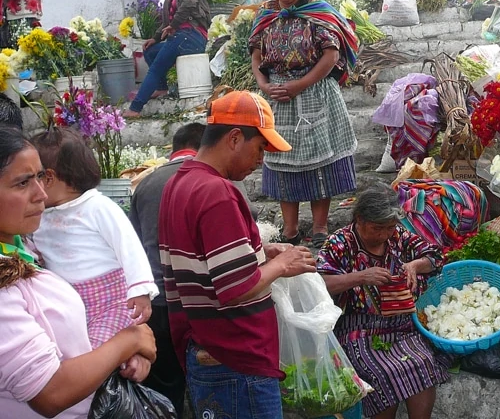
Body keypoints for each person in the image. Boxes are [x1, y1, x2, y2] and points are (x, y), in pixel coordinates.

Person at [159, 90, 318, 418]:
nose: (261, 160)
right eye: (260, 148)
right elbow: (236, 287)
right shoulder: (218, 192)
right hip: (234, 358)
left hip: (208, 350)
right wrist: (282, 265)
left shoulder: (180, 182)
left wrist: (261, 252)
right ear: (234, 138)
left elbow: (205, 262)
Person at [0, 126, 157, 419]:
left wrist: (127, 350)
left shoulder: (21, 249)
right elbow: (50, 393)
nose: (40, 193)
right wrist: (129, 341)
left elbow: (129, 247)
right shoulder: (6, 277)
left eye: (41, 177)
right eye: (23, 183)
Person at [249, 0, 359, 248]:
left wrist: (299, 85)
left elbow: (331, 55)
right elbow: (256, 55)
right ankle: (290, 230)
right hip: (278, 99)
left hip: (314, 94)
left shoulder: (317, 14)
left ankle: (320, 227)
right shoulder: (267, 17)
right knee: (281, 161)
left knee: (319, 162)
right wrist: (264, 84)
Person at [317, 183, 449, 419]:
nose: (385, 235)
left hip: (403, 326)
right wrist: (360, 277)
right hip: (358, 329)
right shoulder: (340, 242)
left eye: (389, 228)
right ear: (359, 219)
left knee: (424, 362)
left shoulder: (397, 236)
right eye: (378, 228)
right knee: (381, 371)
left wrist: (414, 265)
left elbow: (435, 257)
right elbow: (319, 283)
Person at [29, 127, 158, 349]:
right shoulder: (41, 215)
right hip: (68, 303)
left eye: (35, 177)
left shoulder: (97, 206)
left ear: (48, 177)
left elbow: (128, 245)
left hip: (111, 301)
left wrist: (140, 288)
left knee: (95, 351)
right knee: (74, 352)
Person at [129, 122, 206, 417]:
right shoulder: (210, 179)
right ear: (203, 148)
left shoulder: (145, 184)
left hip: (156, 301)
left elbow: (135, 245)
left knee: (164, 387)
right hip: (198, 300)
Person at [124, 0, 210, 118]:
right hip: (181, 36)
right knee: (150, 51)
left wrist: (175, 24)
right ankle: (161, 88)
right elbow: (166, 22)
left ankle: (135, 108)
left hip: (191, 36)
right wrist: (155, 38)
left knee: (157, 67)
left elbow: (189, 2)